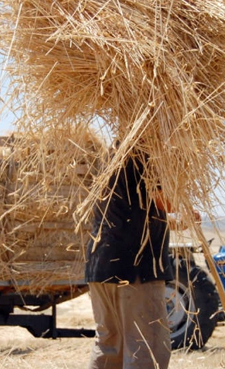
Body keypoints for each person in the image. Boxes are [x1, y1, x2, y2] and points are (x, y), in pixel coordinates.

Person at [85, 150, 175, 369]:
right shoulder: (147, 154)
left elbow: (136, 213)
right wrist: (184, 205)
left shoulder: (111, 157)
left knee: (109, 348)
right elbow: (164, 201)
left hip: (101, 265)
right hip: (135, 270)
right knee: (147, 348)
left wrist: (178, 221)